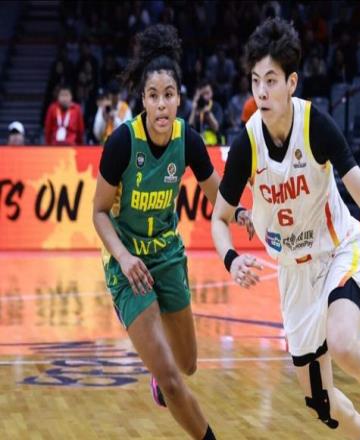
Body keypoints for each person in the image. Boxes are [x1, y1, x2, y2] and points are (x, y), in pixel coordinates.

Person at [211, 18, 360, 440]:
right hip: (294, 275)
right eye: (256, 81)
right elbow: (219, 218)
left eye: (271, 80)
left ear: (291, 82)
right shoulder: (247, 144)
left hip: (337, 249)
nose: (262, 91)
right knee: (321, 403)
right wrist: (231, 259)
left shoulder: (315, 124)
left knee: (344, 343)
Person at [92, 24, 251, 440]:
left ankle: (159, 374)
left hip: (167, 255)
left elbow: (218, 196)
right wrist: (124, 257)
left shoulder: (189, 140)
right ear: (142, 100)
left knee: (188, 364)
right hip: (129, 263)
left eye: (168, 95)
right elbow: (99, 212)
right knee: (173, 379)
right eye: (152, 95)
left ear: (179, 98)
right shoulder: (122, 143)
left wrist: (241, 214)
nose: (161, 104)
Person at [93, 80, 132, 144]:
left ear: (119, 94)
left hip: (120, 145)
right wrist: (104, 119)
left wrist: (114, 118)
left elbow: (128, 132)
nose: (114, 97)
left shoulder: (125, 108)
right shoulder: (103, 107)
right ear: (108, 94)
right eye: (112, 94)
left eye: (116, 93)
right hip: (104, 145)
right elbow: (97, 134)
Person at [188, 79, 224, 145]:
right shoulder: (193, 107)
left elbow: (216, 128)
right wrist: (194, 110)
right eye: (202, 94)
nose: (205, 97)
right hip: (197, 144)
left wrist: (208, 112)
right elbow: (189, 128)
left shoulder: (216, 107)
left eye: (207, 93)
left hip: (215, 144)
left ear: (212, 93)